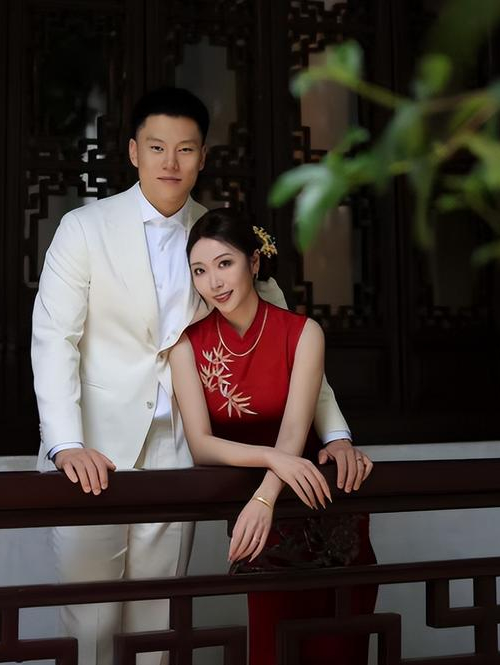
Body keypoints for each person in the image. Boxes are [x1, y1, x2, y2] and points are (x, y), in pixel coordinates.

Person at [32, 87, 358, 665]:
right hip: (94, 451)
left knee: (159, 621)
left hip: (182, 446)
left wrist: (335, 434)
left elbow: (290, 340)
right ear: (134, 152)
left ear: (203, 156)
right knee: (90, 619)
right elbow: (55, 339)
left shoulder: (219, 239)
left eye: (185, 149)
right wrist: (65, 443)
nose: (171, 162)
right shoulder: (83, 228)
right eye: (157, 147)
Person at [169, 208, 376, 665]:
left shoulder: (302, 333)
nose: (213, 282)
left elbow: (294, 433)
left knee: (340, 648)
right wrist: (272, 464)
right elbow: (202, 445)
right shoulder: (187, 345)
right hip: (263, 520)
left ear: (254, 261)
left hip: (320, 503)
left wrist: (266, 493)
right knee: (272, 648)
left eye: (225, 263)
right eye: (199, 271)